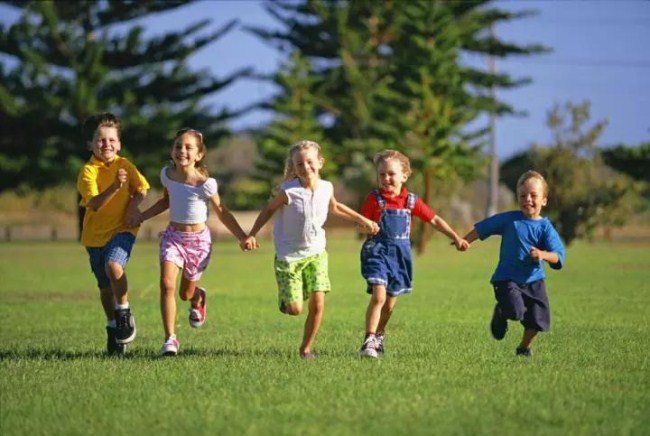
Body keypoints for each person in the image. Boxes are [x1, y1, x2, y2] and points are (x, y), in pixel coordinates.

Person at [242, 140, 379, 359]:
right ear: (294, 167)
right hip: (289, 256)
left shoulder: (327, 187)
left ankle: (305, 349)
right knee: (295, 309)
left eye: (309, 162)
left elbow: (335, 207)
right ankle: (287, 299)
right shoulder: (288, 191)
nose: (306, 167)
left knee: (318, 302)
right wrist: (251, 234)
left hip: (316, 253)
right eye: (299, 164)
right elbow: (268, 210)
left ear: (320, 162)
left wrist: (363, 220)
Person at [138, 128, 254, 356]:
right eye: (178, 146)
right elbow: (165, 202)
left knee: (185, 294)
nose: (182, 151)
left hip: (198, 243)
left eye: (189, 147)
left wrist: (242, 236)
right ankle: (170, 339)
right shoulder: (167, 175)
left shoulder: (206, 184)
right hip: (173, 237)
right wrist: (141, 217)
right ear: (172, 151)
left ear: (199, 155)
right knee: (166, 284)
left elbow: (222, 212)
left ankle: (198, 296)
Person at [358, 150, 469, 358]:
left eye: (391, 174)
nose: (386, 179)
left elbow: (434, 219)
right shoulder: (374, 199)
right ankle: (369, 340)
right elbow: (361, 224)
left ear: (404, 176)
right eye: (381, 174)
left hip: (399, 258)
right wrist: (367, 227)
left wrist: (455, 237)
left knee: (390, 304)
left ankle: (380, 335)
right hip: (377, 253)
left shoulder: (410, 201)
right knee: (379, 296)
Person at [462, 170, 565, 357]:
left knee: (537, 322)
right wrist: (466, 240)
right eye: (523, 195)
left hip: (535, 281)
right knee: (515, 311)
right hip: (507, 279)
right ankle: (501, 310)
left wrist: (543, 254)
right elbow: (485, 226)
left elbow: (558, 256)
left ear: (544, 200)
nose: (528, 199)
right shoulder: (511, 220)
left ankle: (523, 348)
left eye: (533, 195)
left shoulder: (545, 228)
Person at [77, 112, 150, 356]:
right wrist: (116, 187)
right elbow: (95, 203)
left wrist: (132, 207)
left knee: (113, 266)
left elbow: (141, 189)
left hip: (123, 229)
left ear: (118, 144)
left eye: (111, 140)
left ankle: (124, 312)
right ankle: (112, 327)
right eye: (100, 140)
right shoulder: (88, 171)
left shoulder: (124, 165)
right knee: (105, 288)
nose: (106, 144)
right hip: (95, 237)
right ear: (90, 144)